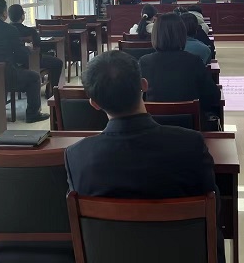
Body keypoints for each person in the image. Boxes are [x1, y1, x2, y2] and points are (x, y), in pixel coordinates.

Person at [64, 50, 225, 263]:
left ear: (94, 103)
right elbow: (214, 207)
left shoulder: (76, 156)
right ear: (144, 85)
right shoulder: (190, 144)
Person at [139, 13, 221, 127]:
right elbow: (213, 96)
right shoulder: (194, 61)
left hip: (154, 126)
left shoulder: (144, 62)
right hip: (190, 127)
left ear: (155, 35)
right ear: (182, 34)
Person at [0, 0, 48, 123]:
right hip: (7, 75)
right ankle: (33, 114)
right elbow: (20, 56)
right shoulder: (10, 29)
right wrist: (28, 50)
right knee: (34, 77)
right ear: (5, 13)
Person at [7, 4, 64, 96]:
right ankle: (52, 92)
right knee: (58, 62)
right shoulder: (30, 31)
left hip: (14, 63)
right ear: (22, 16)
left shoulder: (6, 31)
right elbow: (38, 47)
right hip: (32, 61)